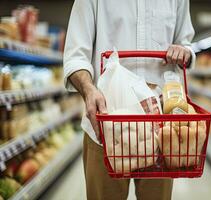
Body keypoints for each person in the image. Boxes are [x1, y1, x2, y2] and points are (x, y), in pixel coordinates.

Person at [63, 0, 195, 199]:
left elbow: (186, 44)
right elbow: (75, 56)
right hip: (105, 128)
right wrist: (89, 90)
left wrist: (185, 52)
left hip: (160, 131)